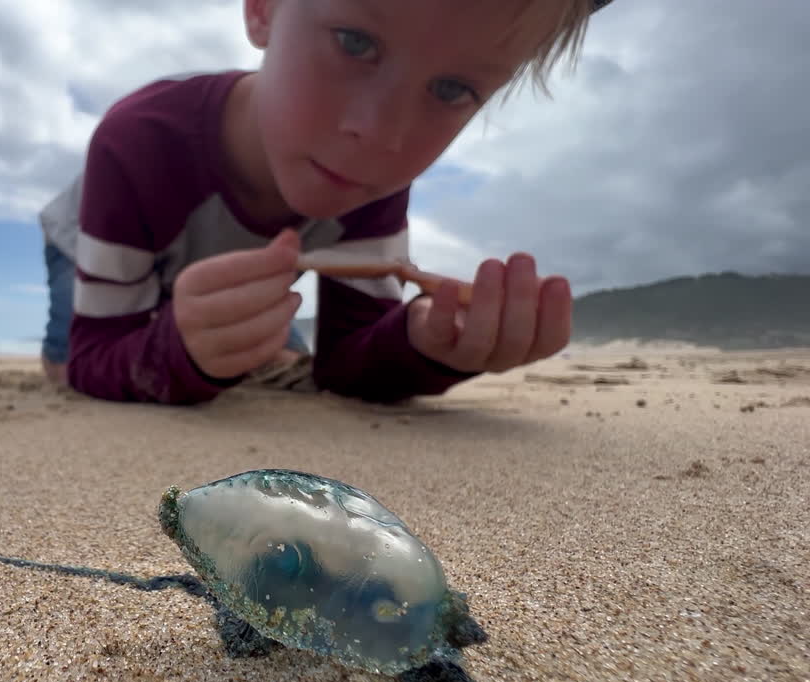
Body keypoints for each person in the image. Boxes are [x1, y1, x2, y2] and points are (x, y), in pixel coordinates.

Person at [40, 0, 608, 404]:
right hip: (93, 235)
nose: (382, 136)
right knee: (70, 367)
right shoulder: (140, 139)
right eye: (355, 42)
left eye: (452, 89)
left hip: (230, 260)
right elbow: (98, 353)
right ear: (263, 8)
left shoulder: (372, 183)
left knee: (271, 356)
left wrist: (423, 344)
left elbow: (346, 357)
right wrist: (169, 353)